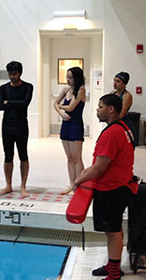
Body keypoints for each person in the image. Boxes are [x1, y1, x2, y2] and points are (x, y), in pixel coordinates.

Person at [75, 94, 134, 280]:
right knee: (112, 229)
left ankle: (114, 274)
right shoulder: (124, 127)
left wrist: (77, 181)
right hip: (121, 185)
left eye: (100, 107)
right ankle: (112, 265)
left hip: (111, 189)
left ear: (111, 109)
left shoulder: (111, 134)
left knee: (113, 230)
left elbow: (99, 168)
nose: (97, 110)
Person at [0, 61, 33, 197]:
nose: (12, 77)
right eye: (10, 74)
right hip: (7, 124)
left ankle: (23, 186)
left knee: (23, 155)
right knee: (8, 156)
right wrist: (12, 104)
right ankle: (8, 185)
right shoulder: (3, 88)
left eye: (15, 74)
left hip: (21, 124)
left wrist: (8, 102)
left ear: (20, 73)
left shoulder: (28, 87)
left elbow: (25, 103)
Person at [53, 67, 86, 195]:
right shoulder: (65, 89)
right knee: (69, 157)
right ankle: (72, 184)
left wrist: (59, 107)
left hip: (76, 125)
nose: (68, 80)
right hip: (66, 125)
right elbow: (55, 103)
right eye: (67, 77)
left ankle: (80, 184)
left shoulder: (81, 90)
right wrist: (61, 112)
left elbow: (71, 107)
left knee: (77, 158)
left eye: (70, 77)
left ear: (77, 78)